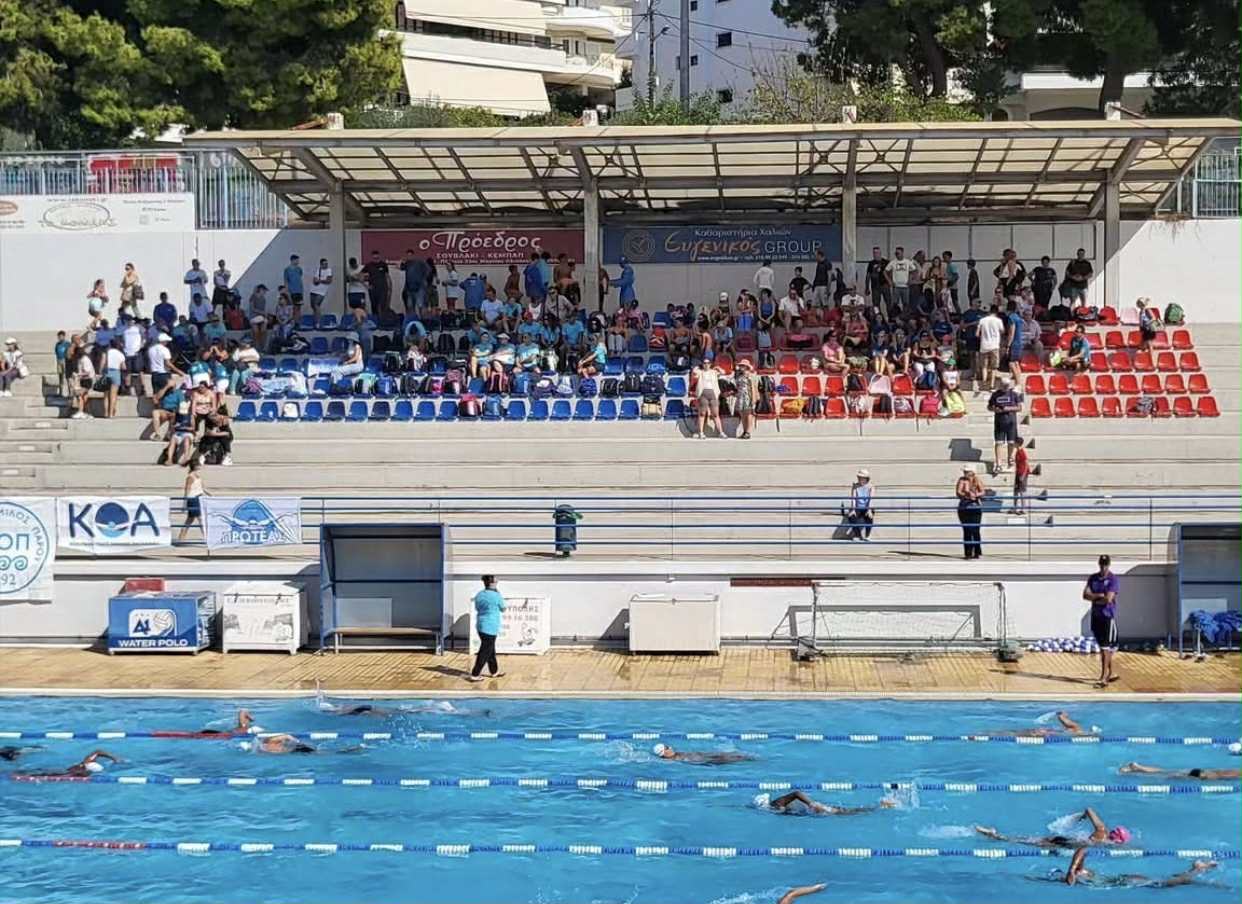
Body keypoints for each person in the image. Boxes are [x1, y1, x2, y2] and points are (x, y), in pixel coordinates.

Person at [974, 807, 1131, 850]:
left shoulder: (1101, 830)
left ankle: (996, 835)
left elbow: (1089, 809)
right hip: (1064, 843)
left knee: (1028, 840)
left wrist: (1083, 816)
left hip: (1066, 840)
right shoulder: (1102, 841)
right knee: (1025, 842)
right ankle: (995, 836)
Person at [1054, 848, 1216, 889]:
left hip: (1128, 881)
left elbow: (1082, 850)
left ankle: (1198, 869)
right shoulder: (1081, 877)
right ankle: (1195, 869)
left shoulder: (1079, 873)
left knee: (1165, 883)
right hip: (1126, 880)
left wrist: (1071, 871)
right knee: (1166, 881)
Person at [1084, 554, 1120, 687]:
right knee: (1103, 647)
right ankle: (1111, 672)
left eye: (1105, 565)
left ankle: (1103, 677)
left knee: (1106, 647)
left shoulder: (1113, 579)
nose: (1103, 567)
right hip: (1096, 616)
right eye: (1101, 565)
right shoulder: (1093, 578)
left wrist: (1094, 598)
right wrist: (1099, 596)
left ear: (1109, 565)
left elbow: (1108, 599)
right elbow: (1085, 595)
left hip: (1107, 617)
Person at [469, 575, 506, 683]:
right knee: (485, 651)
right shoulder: (496, 596)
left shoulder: (479, 594)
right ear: (492, 583)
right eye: (496, 581)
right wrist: (498, 595)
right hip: (491, 626)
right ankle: (475, 674)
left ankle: (494, 671)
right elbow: (503, 609)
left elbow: (477, 608)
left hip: (481, 625)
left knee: (490, 649)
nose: (497, 582)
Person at [753, 789, 895, 816]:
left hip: (815, 809)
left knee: (845, 813)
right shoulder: (776, 808)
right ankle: (879, 806)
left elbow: (796, 793)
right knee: (845, 812)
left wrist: (812, 804)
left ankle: (880, 806)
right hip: (811, 811)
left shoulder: (776, 804)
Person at [987, 376, 1023, 476]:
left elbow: (1019, 408)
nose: (1005, 387)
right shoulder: (995, 395)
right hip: (999, 422)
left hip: (1011, 422)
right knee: (999, 443)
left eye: (1007, 385)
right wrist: (995, 409)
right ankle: (998, 463)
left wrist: (1007, 408)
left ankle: (1010, 461)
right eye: (1004, 385)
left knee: (1011, 442)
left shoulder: (1014, 394)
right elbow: (989, 406)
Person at [16, 749, 120, 779]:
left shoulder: (85, 765)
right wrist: (114, 758)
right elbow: (98, 752)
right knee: (41, 773)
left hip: (63, 771)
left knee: (40, 772)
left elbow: (98, 752)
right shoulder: (86, 771)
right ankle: (19, 773)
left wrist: (114, 758)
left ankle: (19, 773)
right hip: (63, 772)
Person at [691, 353, 725, 439]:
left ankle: (721, 432)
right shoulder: (700, 372)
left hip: (713, 393)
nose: (706, 364)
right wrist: (698, 366)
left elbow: (723, 372)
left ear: (710, 364)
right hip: (703, 393)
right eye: (704, 363)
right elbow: (694, 372)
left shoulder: (714, 372)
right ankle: (701, 432)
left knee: (715, 414)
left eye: (708, 363)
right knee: (702, 413)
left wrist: (717, 367)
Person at [956, 465, 985, 560]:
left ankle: (977, 552)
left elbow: (983, 491)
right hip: (964, 507)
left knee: (976, 530)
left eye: (967, 471)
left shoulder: (977, 480)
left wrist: (976, 495)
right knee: (967, 530)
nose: (965, 473)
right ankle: (968, 553)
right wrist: (967, 495)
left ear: (972, 472)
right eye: (964, 471)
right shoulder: (961, 480)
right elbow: (958, 492)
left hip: (975, 507)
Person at [975, 304, 1004, 391]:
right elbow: (1002, 331)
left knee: (984, 366)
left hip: (984, 345)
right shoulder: (998, 321)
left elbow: (977, 334)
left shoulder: (982, 320)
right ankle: (992, 385)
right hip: (994, 346)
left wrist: (983, 337)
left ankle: (983, 383)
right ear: (997, 312)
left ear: (989, 311)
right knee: (994, 367)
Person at [178, 458, 206, 541]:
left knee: (190, 519)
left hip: (199, 497)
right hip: (193, 499)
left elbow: (202, 488)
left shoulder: (197, 476)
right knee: (200, 518)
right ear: (195, 466)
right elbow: (187, 489)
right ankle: (206, 536)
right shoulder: (190, 477)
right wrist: (185, 502)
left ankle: (182, 536)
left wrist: (209, 494)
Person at [652, 744, 756, 765]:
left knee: (732, 754)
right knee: (738, 758)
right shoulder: (675, 760)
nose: (670, 747)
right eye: (667, 747)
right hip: (707, 761)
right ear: (663, 753)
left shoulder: (676, 755)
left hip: (704, 755)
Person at [1119, 762, 1242, 780]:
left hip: (1203, 772)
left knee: (1165, 772)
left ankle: (1138, 768)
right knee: (1164, 775)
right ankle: (1137, 769)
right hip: (1202, 776)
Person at [885, 247, 916, 314]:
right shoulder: (893, 262)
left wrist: (910, 279)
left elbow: (914, 270)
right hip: (896, 286)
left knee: (906, 304)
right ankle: (895, 316)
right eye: (896, 253)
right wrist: (889, 281)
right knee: (895, 304)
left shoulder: (907, 262)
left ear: (902, 253)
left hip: (905, 286)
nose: (897, 254)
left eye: (898, 253)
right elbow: (885, 271)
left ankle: (905, 316)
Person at [846, 469, 874, 542]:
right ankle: (857, 535)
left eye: (862, 477)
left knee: (869, 516)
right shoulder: (855, 486)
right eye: (859, 477)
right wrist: (853, 509)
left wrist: (869, 510)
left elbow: (871, 499)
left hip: (867, 506)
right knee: (851, 516)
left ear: (866, 478)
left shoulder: (871, 486)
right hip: (858, 507)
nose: (860, 479)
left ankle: (868, 535)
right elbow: (853, 498)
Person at [734, 358, 757, 439]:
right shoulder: (739, 376)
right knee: (742, 414)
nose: (741, 367)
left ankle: (748, 431)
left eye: (743, 366)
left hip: (747, 396)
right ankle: (744, 431)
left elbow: (753, 387)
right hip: (740, 396)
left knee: (748, 414)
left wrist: (754, 398)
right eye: (741, 365)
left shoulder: (750, 376)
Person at [363, 250, 390, 316]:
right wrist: (366, 285)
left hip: (383, 288)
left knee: (382, 305)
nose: (376, 258)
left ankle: (382, 319)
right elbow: (360, 275)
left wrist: (389, 288)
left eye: (377, 257)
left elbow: (387, 276)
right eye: (374, 257)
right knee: (374, 305)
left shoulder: (383, 265)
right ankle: (375, 319)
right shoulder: (369, 265)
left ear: (379, 256)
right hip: (373, 289)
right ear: (372, 257)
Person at [1012, 435, 1030, 515]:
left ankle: (1024, 508)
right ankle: (1015, 507)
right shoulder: (1017, 452)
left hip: (1022, 473)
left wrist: (1023, 475)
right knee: (1015, 491)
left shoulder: (1022, 452)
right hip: (1018, 472)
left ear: (1017, 443)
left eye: (1014, 442)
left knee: (1022, 491)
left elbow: (1026, 464)